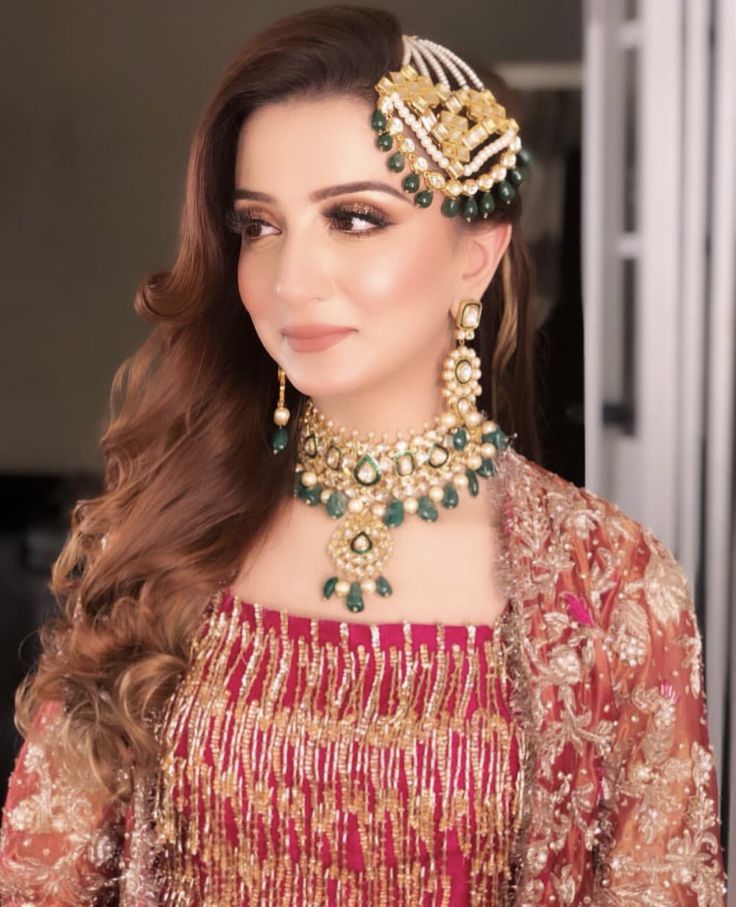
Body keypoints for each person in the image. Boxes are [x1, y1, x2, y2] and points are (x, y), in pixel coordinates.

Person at [0, 5, 727, 905]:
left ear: (477, 253)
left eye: (353, 218)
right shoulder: (165, 526)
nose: (290, 280)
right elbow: (41, 878)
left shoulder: (611, 585)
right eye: (259, 226)